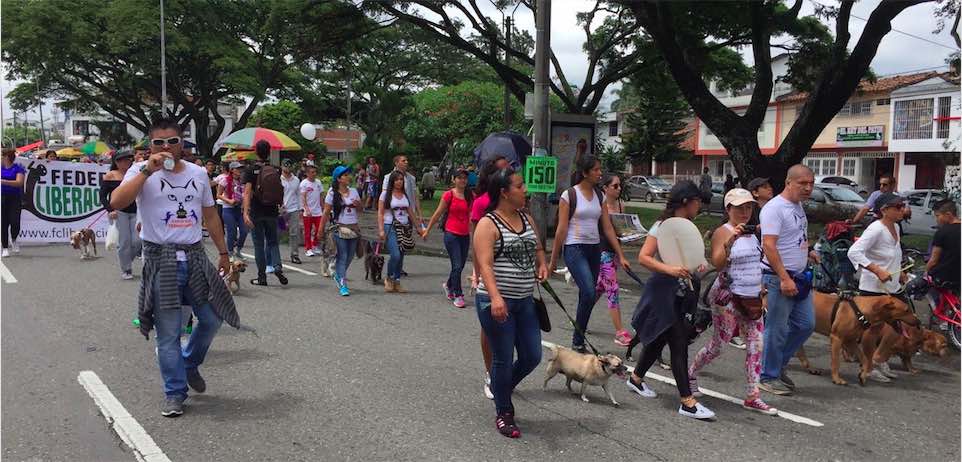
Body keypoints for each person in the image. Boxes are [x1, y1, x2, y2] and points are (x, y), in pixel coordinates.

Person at [109, 117, 238, 417]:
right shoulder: (139, 171)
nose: (166, 147)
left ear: (182, 143)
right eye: (159, 142)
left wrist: (223, 252)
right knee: (167, 333)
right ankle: (175, 393)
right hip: (160, 259)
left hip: (193, 256)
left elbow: (211, 215)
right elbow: (116, 201)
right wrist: (145, 170)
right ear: (150, 145)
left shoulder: (197, 173)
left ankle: (189, 363)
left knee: (212, 317)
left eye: (172, 141)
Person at [625, 180, 715, 420]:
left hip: (680, 294)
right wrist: (670, 269)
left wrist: (699, 264)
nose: (699, 207)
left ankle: (635, 379)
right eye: (697, 202)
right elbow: (644, 258)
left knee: (659, 340)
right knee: (678, 343)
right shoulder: (662, 226)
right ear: (686, 201)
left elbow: (690, 258)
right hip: (662, 293)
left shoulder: (686, 227)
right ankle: (687, 401)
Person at [473, 168, 549, 438]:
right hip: (495, 302)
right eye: (519, 186)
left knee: (532, 356)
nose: (525, 189)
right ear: (504, 192)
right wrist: (495, 297)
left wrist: (542, 264)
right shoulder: (488, 224)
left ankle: (500, 386)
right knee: (503, 359)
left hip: (525, 300)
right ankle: (504, 412)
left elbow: (538, 246)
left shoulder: (526, 218)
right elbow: (485, 264)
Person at [688, 188, 776, 415]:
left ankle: (753, 396)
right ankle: (690, 373)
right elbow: (717, 263)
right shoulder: (723, 231)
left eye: (748, 207)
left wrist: (761, 288)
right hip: (726, 297)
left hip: (752, 298)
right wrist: (730, 240)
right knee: (720, 345)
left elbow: (757, 262)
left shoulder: (753, 233)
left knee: (756, 344)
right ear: (728, 209)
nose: (745, 212)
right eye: (739, 208)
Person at [549, 156, 630, 353]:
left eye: (600, 169)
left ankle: (578, 340)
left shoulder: (599, 196)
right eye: (595, 170)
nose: (599, 173)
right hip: (574, 248)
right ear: (585, 173)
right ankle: (578, 339)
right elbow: (561, 229)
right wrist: (552, 260)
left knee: (586, 295)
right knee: (588, 292)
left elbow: (608, 228)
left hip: (595, 250)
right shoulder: (569, 195)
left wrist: (622, 255)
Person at [759, 164, 819, 396]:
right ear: (788, 183)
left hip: (800, 276)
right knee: (777, 329)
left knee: (806, 325)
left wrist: (808, 250)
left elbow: (793, 236)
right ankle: (768, 376)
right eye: (802, 183)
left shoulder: (797, 206)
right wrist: (784, 278)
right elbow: (769, 245)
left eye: (811, 183)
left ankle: (776, 365)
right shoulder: (775, 209)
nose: (808, 188)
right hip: (779, 278)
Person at [847, 192, 907, 383]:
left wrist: (900, 271)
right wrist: (876, 269)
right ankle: (868, 365)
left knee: (899, 324)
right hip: (873, 287)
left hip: (892, 286)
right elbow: (854, 252)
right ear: (884, 210)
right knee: (873, 328)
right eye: (898, 207)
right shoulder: (875, 229)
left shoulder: (896, 226)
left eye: (902, 206)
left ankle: (879, 358)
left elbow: (893, 253)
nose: (902, 210)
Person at [470, 156, 510, 399]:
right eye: (505, 169)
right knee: (489, 326)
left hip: (513, 274)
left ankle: (504, 373)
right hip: (489, 271)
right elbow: (476, 244)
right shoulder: (481, 203)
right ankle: (490, 373)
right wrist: (476, 273)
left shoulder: (515, 203)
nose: (510, 172)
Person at [423, 168, 473, 308]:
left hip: (465, 235)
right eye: (459, 178)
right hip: (451, 234)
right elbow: (438, 213)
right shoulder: (448, 195)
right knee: (456, 265)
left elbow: (472, 217)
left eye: (464, 178)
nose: (462, 180)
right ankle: (458, 294)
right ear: (453, 179)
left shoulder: (470, 195)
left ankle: (449, 285)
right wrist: (427, 230)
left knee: (461, 265)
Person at [242, 140, 288, 287]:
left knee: (258, 245)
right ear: (269, 151)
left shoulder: (250, 169)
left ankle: (261, 277)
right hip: (272, 211)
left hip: (256, 211)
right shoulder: (275, 169)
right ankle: (278, 266)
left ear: (256, 151)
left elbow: (247, 192)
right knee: (273, 242)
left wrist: (245, 212)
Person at [597, 174, 632, 346]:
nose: (619, 189)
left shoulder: (620, 205)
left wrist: (629, 235)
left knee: (598, 289)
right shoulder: (600, 206)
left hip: (614, 252)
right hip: (602, 252)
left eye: (619, 186)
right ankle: (619, 332)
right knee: (612, 289)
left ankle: (580, 317)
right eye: (615, 186)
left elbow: (620, 231)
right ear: (605, 188)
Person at [377, 170, 424, 293]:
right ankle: (389, 278)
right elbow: (380, 213)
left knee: (401, 255)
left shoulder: (404, 195)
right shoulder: (385, 195)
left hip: (404, 226)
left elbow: (411, 213)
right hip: (390, 226)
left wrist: (419, 228)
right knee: (395, 254)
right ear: (392, 181)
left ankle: (397, 280)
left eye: (401, 179)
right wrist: (381, 229)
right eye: (397, 179)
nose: (399, 182)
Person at [318, 166, 361, 296]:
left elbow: (361, 209)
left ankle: (338, 274)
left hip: (354, 228)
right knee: (342, 256)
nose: (348, 177)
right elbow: (326, 212)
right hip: (339, 228)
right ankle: (343, 284)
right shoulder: (332, 193)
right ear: (338, 179)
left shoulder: (354, 191)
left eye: (348, 174)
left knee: (349, 256)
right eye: (345, 175)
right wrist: (320, 230)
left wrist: (358, 205)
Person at [100, 150, 142, 279]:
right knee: (124, 241)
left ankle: (126, 259)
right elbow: (102, 195)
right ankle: (126, 269)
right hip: (119, 212)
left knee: (137, 241)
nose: (125, 162)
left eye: (128, 160)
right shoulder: (110, 175)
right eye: (122, 160)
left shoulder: (135, 174)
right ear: (116, 162)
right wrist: (110, 210)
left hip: (136, 211)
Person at [926, 200, 960, 291]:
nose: (936, 219)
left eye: (937, 216)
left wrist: (925, 273)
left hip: (945, 276)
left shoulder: (942, 232)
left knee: (925, 286)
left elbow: (933, 260)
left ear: (948, 215)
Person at [217, 161, 248, 261]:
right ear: (232, 170)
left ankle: (238, 250)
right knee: (232, 231)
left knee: (244, 230)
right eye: (237, 168)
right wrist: (229, 200)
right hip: (228, 209)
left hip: (239, 209)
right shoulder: (225, 180)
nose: (240, 171)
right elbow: (218, 195)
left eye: (240, 169)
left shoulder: (243, 181)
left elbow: (246, 194)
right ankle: (230, 252)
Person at [1, 148, 25, 256]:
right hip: (2, 197)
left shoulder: (18, 168)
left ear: (7, 157)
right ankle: (5, 247)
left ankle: (14, 239)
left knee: (15, 222)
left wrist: (4, 181)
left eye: (2, 156)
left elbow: (19, 182)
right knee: (3, 223)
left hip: (15, 198)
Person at [381, 155, 421, 222]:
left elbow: (415, 197)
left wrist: (419, 214)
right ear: (396, 163)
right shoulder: (388, 177)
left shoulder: (411, 178)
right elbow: (384, 196)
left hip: (409, 214)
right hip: (394, 215)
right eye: (403, 161)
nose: (406, 162)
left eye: (407, 160)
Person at [299, 162, 324, 257]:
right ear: (307, 173)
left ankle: (315, 246)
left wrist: (323, 207)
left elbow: (321, 196)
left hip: (318, 211)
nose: (314, 174)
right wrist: (306, 209)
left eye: (315, 172)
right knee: (308, 231)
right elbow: (303, 197)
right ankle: (308, 248)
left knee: (319, 230)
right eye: (312, 172)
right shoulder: (304, 183)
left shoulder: (318, 182)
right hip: (308, 212)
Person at [280, 161, 303, 264]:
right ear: (282, 167)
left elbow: (299, 194)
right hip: (281, 209)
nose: (288, 168)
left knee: (294, 232)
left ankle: (294, 254)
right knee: (279, 232)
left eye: (289, 166)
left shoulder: (296, 180)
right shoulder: (278, 179)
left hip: (294, 209)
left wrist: (301, 208)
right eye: (285, 166)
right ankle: (275, 254)